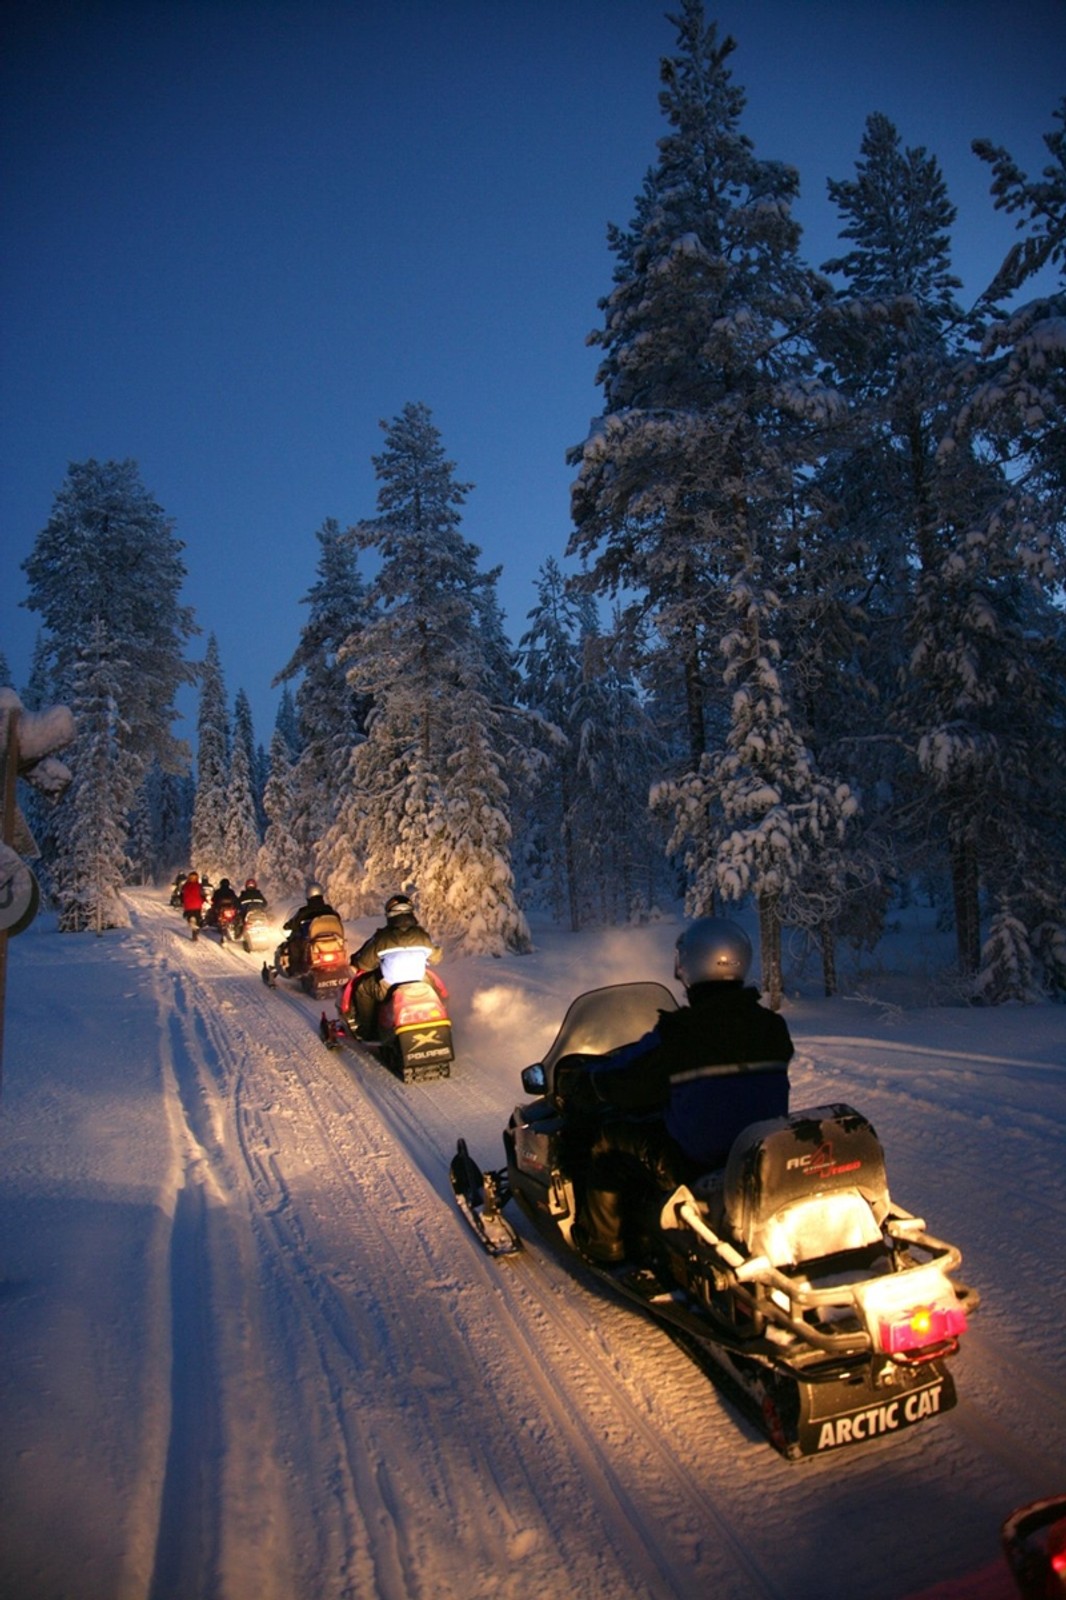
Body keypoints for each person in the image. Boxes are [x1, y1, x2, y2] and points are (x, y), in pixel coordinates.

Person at [557, 917, 794, 1264]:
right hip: (759, 1155)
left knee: (607, 1140)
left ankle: (603, 1245)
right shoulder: (772, 1026)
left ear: (691, 964)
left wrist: (587, 1082)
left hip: (696, 1161)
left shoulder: (681, 1033)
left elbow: (628, 1080)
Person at [346, 894, 442, 1038]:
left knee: (363, 988)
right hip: (420, 983)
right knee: (437, 987)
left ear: (390, 914)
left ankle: (368, 1030)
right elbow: (436, 958)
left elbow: (364, 965)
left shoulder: (383, 937)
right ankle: (441, 1019)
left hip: (390, 988)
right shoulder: (422, 934)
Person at [180, 870, 206, 938]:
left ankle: (191, 923)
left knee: (188, 916)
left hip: (188, 906)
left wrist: (182, 902)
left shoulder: (185, 886)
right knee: (198, 918)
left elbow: (181, 895)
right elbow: (203, 895)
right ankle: (196, 928)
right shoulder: (199, 886)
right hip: (197, 906)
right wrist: (203, 900)